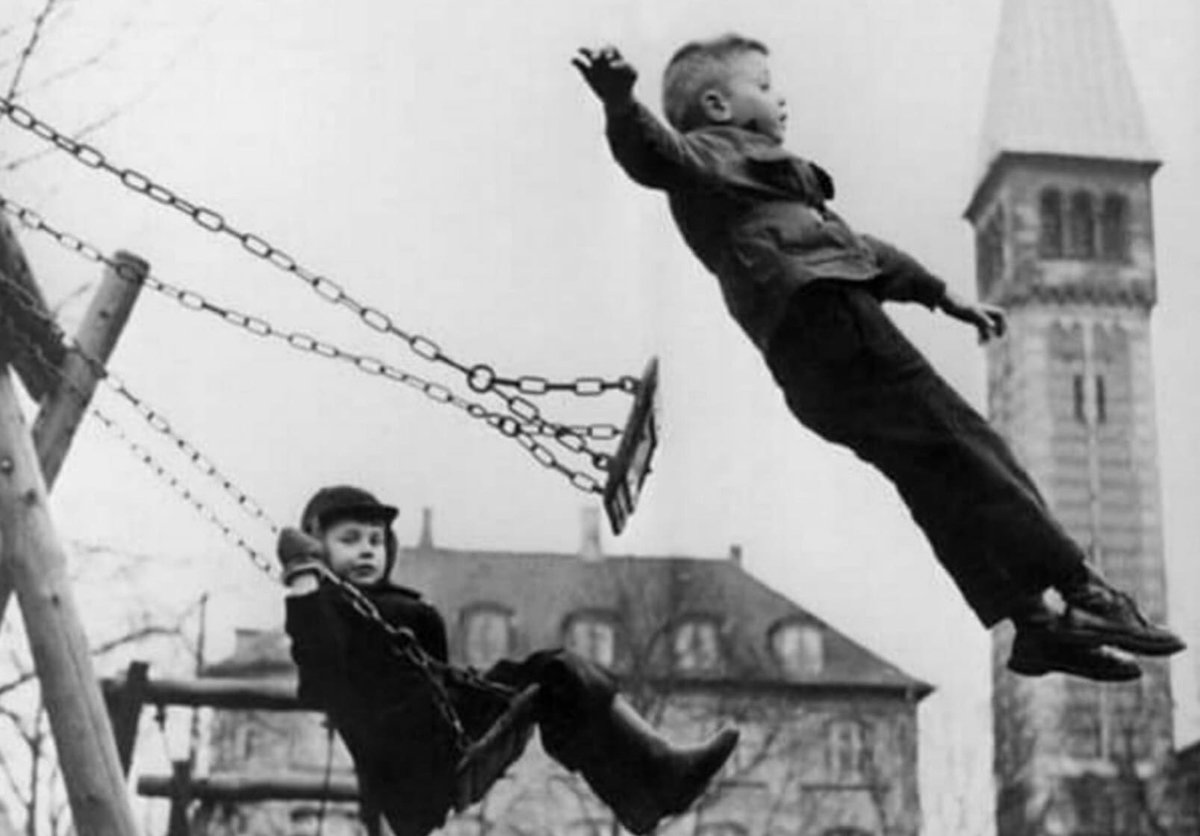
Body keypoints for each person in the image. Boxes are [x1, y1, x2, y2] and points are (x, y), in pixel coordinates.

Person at [572, 36, 1185, 682]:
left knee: (931, 480)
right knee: (968, 445)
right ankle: (1083, 588)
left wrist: (940, 296)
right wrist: (621, 105)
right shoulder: (713, 157)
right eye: (765, 84)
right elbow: (657, 155)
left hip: (810, 367)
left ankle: (1033, 624)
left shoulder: (766, 191)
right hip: (836, 327)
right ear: (719, 105)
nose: (781, 97)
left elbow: (860, 250)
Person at [278, 484, 739, 836]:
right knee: (555, 674)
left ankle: (655, 780)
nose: (366, 550)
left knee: (560, 671)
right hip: (411, 766)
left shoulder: (396, 609)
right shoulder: (329, 615)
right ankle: (657, 779)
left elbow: (438, 682)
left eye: (376, 540)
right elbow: (319, 671)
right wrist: (303, 578)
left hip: (444, 730)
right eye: (350, 539)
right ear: (319, 547)